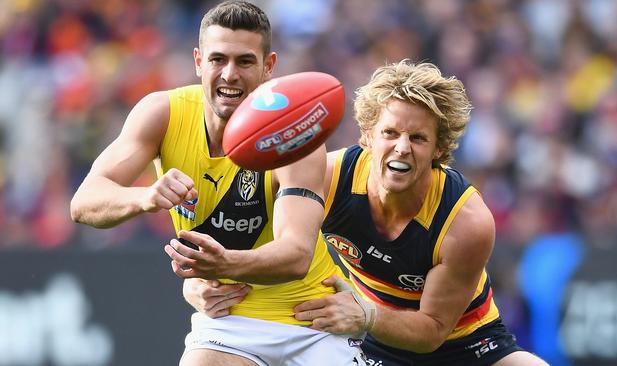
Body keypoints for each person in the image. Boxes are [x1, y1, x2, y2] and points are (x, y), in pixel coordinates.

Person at [184, 60, 548, 365]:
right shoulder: (329, 178)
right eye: (390, 133)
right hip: (365, 342)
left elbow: (433, 330)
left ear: (439, 149)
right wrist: (201, 282)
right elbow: (257, 239)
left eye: (418, 138)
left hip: (468, 342)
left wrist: (366, 313)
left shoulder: (465, 221)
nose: (401, 148)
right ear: (368, 136)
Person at [69, 1, 365, 365]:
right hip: (230, 323)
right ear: (198, 61)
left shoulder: (294, 133)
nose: (229, 74)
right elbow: (84, 202)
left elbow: (297, 255)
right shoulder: (163, 113)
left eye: (244, 61)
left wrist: (221, 265)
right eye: (217, 59)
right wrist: (145, 196)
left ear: (268, 67)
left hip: (314, 320)